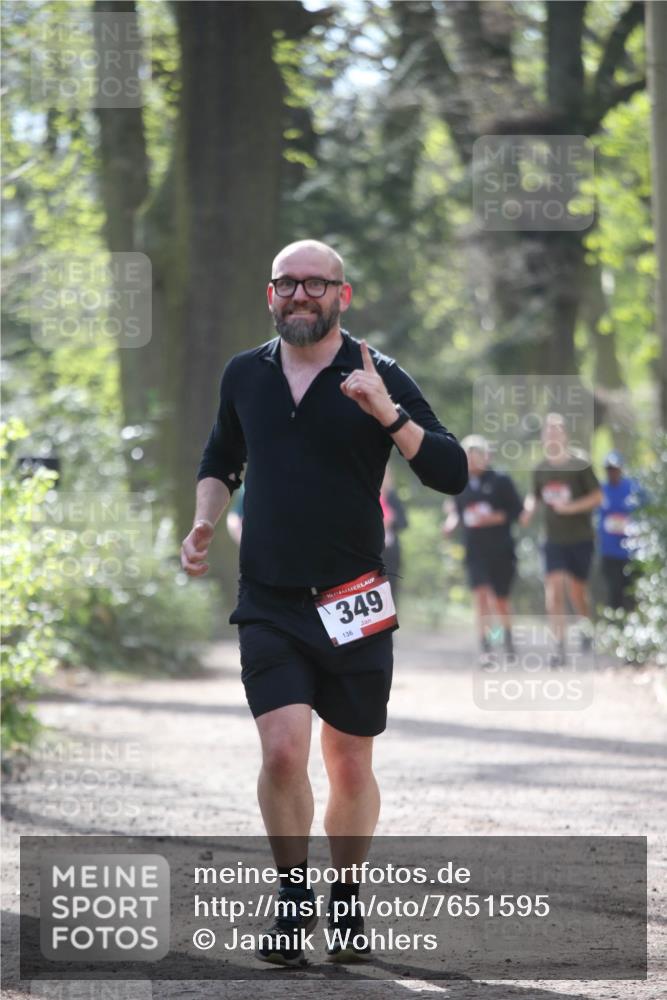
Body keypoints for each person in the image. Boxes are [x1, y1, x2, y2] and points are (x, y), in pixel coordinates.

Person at [180, 239, 467, 966]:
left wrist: (388, 415)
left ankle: (343, 897)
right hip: (269, 596)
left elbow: (451, 471)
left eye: (316, 284)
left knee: (347, 763)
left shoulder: (377, 373)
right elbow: (220, 459)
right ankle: (291, 898)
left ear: (344, 295)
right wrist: (205, 520)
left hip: (353, 599)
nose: (300, 296)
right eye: (287, 284)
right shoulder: (245, 373)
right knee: (282, 753)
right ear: (267, 294)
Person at [521, 413, 602, 665]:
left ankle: (585, 626)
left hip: (580, 538)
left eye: (557, 430)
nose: (553, 434)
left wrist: (571, 507)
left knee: (577, 592)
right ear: (544, 437)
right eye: (549, 431)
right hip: (552, 538)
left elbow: (598, 497)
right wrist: (529, 509)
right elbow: (534, 495)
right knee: (555, 589)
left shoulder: (581, 464)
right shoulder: (541, 468)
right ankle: (559, 647)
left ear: (565, 434)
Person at [442, 435, 523, 659]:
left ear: (486, 456)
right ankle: (486, 645)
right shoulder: (460, 483)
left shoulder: (501, 480)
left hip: (501, 550)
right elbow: (457, 513)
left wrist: (493, 518)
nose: (471, 459)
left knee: (500, 599)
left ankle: (507, 640)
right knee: (480, 596)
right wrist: (450, 526)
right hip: (474, 550)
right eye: (467, 454)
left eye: (475, 454)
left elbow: (517, 511)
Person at [597, 451, 645, 610]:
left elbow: (648, 512)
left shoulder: (634, 489)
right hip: (609, 554)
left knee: (631, 595)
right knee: (613, 594)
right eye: (609, 469)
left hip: (631, 553)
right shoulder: (600, 491)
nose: (612, 472)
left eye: (615, 468)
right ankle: (614, 629)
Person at [380, 466, 408, 609]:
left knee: (391, 587)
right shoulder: (367, 494)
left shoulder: (393, 498)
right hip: (371, 551)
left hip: (391, 551)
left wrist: (392, 520)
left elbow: (404, 523)